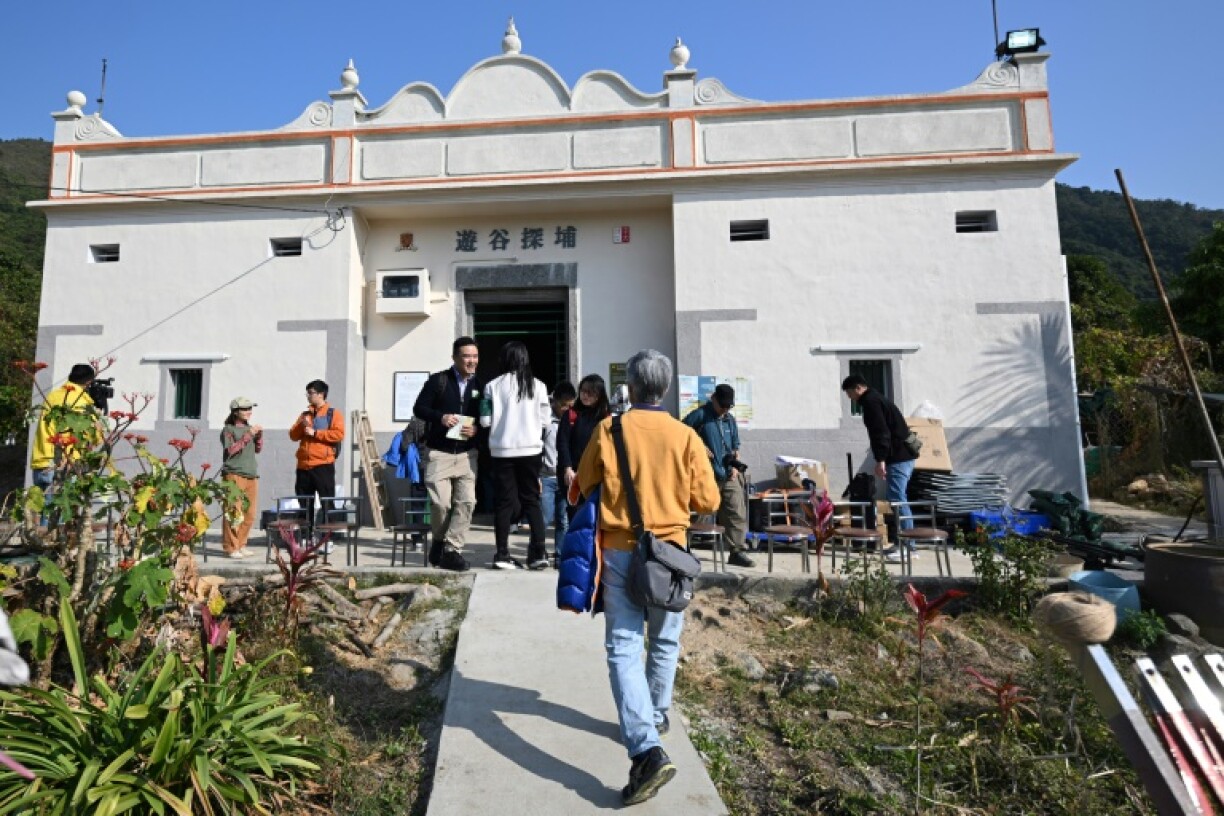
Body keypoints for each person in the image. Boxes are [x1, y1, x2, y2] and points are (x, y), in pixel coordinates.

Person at [576, 349, 719, 806]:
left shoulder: (608, 428)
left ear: (632, 388)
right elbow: (709, 501)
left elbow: (581, 483)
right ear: (667, 388)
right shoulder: (686, 436)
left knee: (622, 645)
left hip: (620, 550)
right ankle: (655, 717)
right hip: (672, 554)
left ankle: (646, 749)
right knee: (664, 641)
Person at [480, 341, 551, 570]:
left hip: (502, 451)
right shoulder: (538, 386)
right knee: (531, 500)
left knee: (504, 502)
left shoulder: (491, 386)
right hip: (531, 450)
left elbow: (485, 420)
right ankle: (538, 552)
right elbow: (546, 421)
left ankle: (502, 553)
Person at [414, 337, 482, 572]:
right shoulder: (438, 381)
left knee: (467, 502)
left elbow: (486, 419)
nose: (471, 361)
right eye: (466, 356)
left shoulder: (481, 386)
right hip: (439, 453)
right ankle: (439, 541)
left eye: (474, 356)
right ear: (454, 357)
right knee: (441, 504)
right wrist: (440, 417)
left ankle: (452, 550)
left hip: (466, 454)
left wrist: (477, 430)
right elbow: (419, 408)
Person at [841, 374, 917, 561]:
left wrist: (881, 459)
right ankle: (902, 543)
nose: (849, 397)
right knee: (896, 498)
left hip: (898, 456)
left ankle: (909, 547)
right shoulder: (877, 398)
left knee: (898, 499)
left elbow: (880, 433)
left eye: (849, 393)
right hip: (901, 455)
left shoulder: (871, 403)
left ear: (858, 388)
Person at [683, 383, 755, 568]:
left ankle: (737, 550)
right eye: (722, 405)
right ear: (713, 399)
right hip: (706, 475)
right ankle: (682, 547)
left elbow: (735, 446)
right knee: (699, 513)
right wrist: (698, 446)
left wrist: (735, 464)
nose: (724, 409)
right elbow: (682, 433)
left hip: (729, 475)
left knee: (735, 513)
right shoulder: (700, 415)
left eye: (728, 406)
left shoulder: (730, 420)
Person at [29, 363, 98, 520]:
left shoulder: (53, 395)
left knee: (43, 516)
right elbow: (92, 435)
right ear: (88, 382)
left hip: (41, 461)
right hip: (63, 464)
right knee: (59, 521)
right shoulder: (82, 401)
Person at [288, 379, 345, 552]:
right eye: (307, 392)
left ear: (321, 394)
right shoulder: (305, 414)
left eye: (311, 392)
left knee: (327, 502)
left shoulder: (333, 414)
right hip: (304, 465)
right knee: (305, 502)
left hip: (323, 465)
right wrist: (302, 425)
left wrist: (316, 432)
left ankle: (327, 538)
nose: (308, 395)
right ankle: (307, 536)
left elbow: (338, 434)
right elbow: (293, 435)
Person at [558, 373, 609, 519]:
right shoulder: (572, 415)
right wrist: (567, 468)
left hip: (597, 477)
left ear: (599, 395)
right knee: (574, 517)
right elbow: (562, 443)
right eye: (583, 391)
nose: (585, 395)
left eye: (590, 393)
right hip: (573, 476)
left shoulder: (606, 418)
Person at [220, 397, 262, 559]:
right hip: (233, 474)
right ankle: (231, 547)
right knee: (233, 512)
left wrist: (258, 438)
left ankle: (241, 544)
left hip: (251, 474)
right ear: (236, 411)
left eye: (250, 409)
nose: (248, 412)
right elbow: (230, 450)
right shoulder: (228, 430)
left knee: (249, 513)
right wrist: (247, 436)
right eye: (245, 409)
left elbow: (257, 450)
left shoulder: (250, 429)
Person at [541, 381, 576, 563]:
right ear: (554, 401)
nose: (566, 408)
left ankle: (560, 555)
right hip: (546, 476)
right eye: (563, 404)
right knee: (544, 517)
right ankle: (539, 551)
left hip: (565, 478)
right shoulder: (544, 421)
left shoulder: (573, 420)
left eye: (570, 405)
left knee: (563, 519)